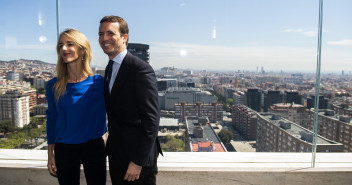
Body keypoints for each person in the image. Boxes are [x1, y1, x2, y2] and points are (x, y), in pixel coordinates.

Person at [99, 15, 162, 185]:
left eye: (110, 33)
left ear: (124, 37)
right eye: (101, 34)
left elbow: (151, 120)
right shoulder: (110, 68)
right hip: (117, 156)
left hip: (137, 161)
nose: (104, 38)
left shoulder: (140, 69)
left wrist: (137, 162)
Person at [46, 28, 107, 185]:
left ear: (82, 49)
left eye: (69, 44)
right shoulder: (53, 85)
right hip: (64, 150)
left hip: (94, 148)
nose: (64, 48)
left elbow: (113, 113)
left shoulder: (98, 83)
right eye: (61, 45)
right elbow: (51, 119)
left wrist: (106, 137)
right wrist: (50, 154)